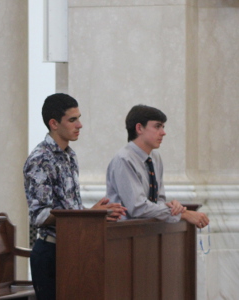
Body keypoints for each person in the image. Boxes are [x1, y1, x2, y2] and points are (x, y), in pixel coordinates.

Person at [23, 93, 126, 300]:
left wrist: (92, 214)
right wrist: (88, 215)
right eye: (72, 120)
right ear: (54, 123)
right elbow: (40, 216)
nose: (80, 125)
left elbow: (70, 211)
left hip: (73, 247)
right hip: (51, 253)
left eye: (79, 118)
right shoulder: (40, 159)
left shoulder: (70, 155)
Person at [106, 104, 209, 228]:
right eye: (157, 126)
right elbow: (138, 208)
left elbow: (157, 200)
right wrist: (183, 214)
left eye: (163, 127)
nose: (163, 133)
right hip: (123, 233)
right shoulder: (124, 159)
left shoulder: (155, 158)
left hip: (147, 230)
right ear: (139, 128)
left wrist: (172, 206)